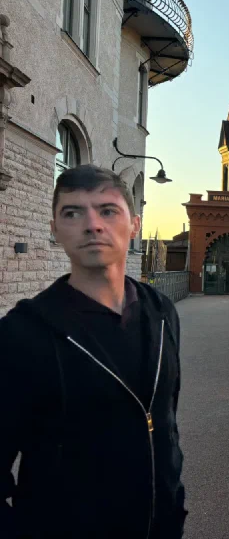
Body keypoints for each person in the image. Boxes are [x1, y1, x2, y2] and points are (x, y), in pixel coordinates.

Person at [0, 165, 187, 538]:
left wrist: (173, 508)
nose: (92, 225)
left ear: (133, 225)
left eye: (107, 210)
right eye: (72, 213)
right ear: (54, 229)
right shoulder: (22, 333)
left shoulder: (162, 312)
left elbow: (165, 422)